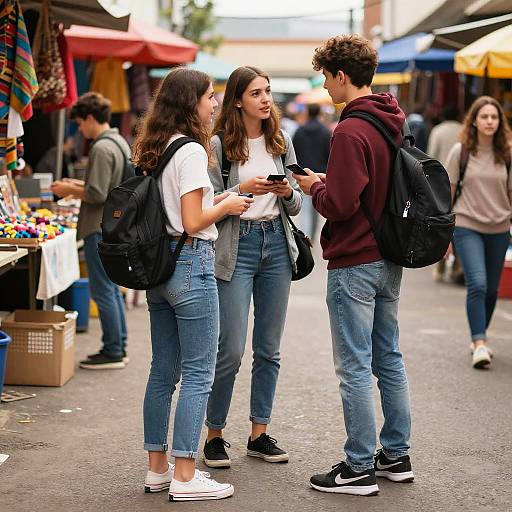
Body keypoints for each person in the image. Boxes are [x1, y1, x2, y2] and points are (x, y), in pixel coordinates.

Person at [293, 35, 413, 497]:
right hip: (389, 255)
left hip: (355, 259)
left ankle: (359, 466)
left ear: (342, 75)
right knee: (389, 357)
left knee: (355, 367)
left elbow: (340, 204)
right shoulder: (389, 120)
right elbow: (368, 188)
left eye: (326, 77)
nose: (324, 86)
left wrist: (314, 190)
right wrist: (331, 181)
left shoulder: (349, 128)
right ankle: (396, 455)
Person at [133, 68, 253, 501]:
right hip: (191, 263)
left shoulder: (158, 145)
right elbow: (193, 220)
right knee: (200, 372)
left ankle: (157, 469)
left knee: (163, 371)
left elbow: (178, 211)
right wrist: (227, 207)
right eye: (209, 96)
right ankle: (186, 474)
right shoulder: (191, 152)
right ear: (191, 102)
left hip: (160, 266)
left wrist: (217, 201)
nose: (215, 103)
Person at [202, 66, 303, 469]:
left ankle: (259, 434)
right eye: (256, 93)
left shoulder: (281, 141)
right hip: (236, 247)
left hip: (276, 243)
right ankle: (214, 434)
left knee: (269, 348)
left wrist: (285, 190)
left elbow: (295, 204)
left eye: (268, 92)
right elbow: (206, 202)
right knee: (229, 348)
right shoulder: (219, 144)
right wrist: (241, 189)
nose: (265, 99)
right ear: (238, 100)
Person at [51, 92, 130, 370]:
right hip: (113, 225)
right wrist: (76, 183)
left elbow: (97, 193)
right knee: (111, 288)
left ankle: (112, 350)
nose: (80, 129)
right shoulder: (119, 142)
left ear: (90, 118)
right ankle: (118, 345)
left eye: (81, 123)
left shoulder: (100, 147)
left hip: (98, 227)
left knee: (103, 290)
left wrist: (67, 189)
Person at [445, 96, 512, 370]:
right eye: (484, 117)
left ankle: (478, 337)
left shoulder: (507, 154)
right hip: (466, 225)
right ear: (473, 120)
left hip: (499, 227)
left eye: (494, 117)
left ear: (500, 122)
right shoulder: (460, 152)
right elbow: (447, 195)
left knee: (492, 290)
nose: (489, 122)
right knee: (478, 284)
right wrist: (445, 235)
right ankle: (479, 341)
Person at [428, 105, 463, 282]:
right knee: (457, 220)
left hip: (439, 181)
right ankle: (457, 263)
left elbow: (431, 155)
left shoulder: (438, 130)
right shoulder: (463, 130)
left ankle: (440, 262)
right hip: (461, 183)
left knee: (441, 220)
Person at [292, 103, 331, 240]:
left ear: (307, 113)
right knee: (315, 209)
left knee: (306, 210)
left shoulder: (299, 131)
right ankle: (312, 236)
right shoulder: (326, 132)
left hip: (303, 175)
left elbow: (293, 153)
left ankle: (306, 237)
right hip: (320, 177)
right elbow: (330, 155)